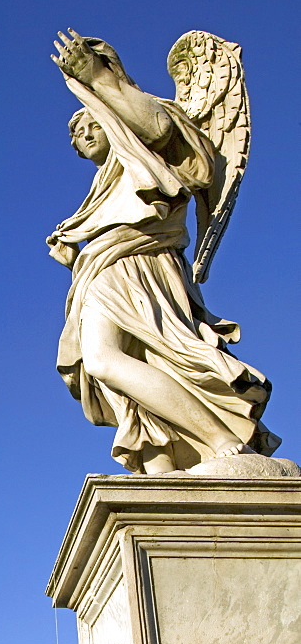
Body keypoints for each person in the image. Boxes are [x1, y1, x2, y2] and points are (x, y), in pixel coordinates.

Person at [46, 31, 279, 475]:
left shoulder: (147, 128)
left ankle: (221, 438)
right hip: (108, 267)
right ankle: (162, 466)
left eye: (90, 121)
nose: (83, 132)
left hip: (141, 265)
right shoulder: (110, 177)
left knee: (102, 358)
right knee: (126, 371)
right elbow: (121, 219)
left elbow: (159, 129)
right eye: (76, 131)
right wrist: (76, 260)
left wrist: (98, 78)